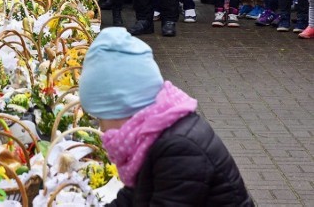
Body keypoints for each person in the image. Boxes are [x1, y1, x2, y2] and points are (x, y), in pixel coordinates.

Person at [79, 28, 253, 206]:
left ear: (123, 107)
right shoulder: (152, 134)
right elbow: (133, 197)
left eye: (101, 117)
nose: (102, 128)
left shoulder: (178, 149)